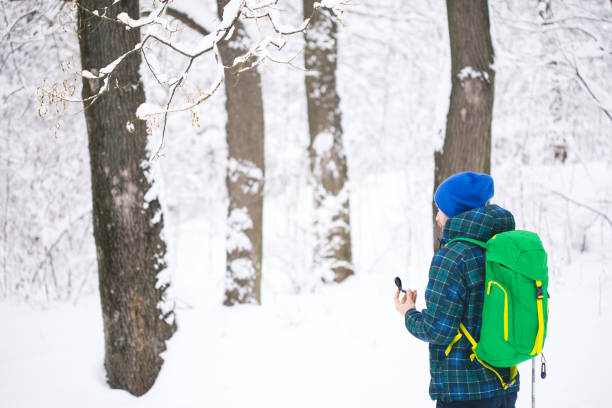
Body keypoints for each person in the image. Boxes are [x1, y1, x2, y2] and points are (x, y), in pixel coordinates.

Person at [393, 171, 519, 408]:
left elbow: (437, 329)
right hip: (505, 385)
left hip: (465, 393)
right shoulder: (504, 248)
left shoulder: (452, 257)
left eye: (440, 208)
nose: (437, 217)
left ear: (454, 210)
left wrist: (408, 312)